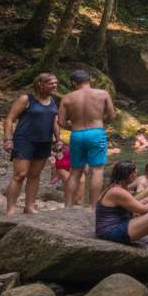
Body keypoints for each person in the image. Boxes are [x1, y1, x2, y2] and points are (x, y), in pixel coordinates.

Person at [2, 72, 61, 215]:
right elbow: (9, 119)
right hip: (24, 140)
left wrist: (58, 139)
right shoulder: (26, 99)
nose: (55, 85)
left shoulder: (52, 100)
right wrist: (8, 139)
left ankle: (29, 207)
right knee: (20, 174)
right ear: (41, 84)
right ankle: (10, 210)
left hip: (44, 142)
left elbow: (55, 121)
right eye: (51, 83)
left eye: (56, 83)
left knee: (35, 175)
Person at [59, 69, 115, 209]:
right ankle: (92, 207)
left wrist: (73, 125)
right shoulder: (103, 94)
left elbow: (61, 122)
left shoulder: (67, 98)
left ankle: (68, 206)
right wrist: (101, 123)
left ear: (74, 83)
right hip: (96, 132)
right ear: (89, 80)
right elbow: (111, 115)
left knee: (75, 171)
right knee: (97, 170)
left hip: (77, 134)